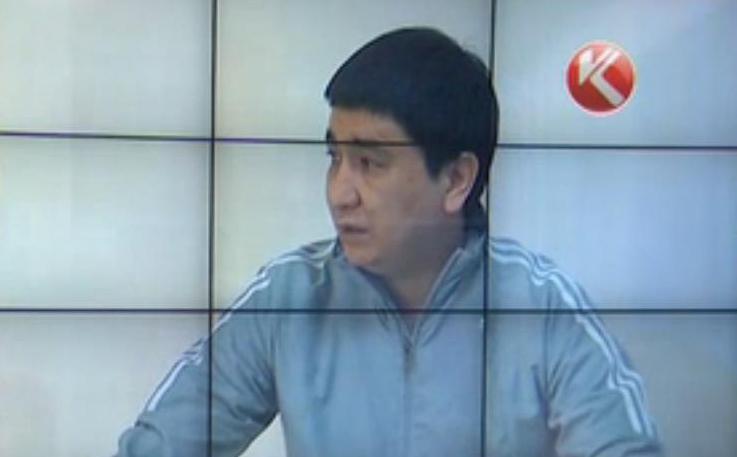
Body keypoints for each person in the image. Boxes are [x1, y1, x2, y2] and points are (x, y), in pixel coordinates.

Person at [116, 27, 663, 457]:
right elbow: (160, 445)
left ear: (456, 179)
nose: (340, 193)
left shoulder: (540, 307)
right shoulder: (290, 297)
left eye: (370, 163)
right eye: (334, 158)